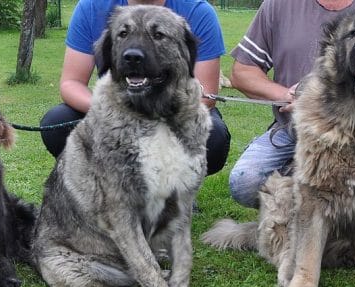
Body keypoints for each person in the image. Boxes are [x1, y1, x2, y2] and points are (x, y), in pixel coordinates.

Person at [227, 0, 355, 208]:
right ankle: (306, 202)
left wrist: (323, 101)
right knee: (245, 181)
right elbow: (242, 72)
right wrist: (287, 94)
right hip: (293, 130)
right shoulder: (277, 5)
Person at [40, 0, 231, 176]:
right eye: (124, 34)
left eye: (157, 36)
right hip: (115, 109)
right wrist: (112, 111)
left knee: (213, 137)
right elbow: (71, 83)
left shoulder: (198, 11)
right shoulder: (91, 7)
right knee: (58, 121)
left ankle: (176, 186)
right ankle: (95, 180)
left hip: (174, 113)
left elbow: (206, 96)